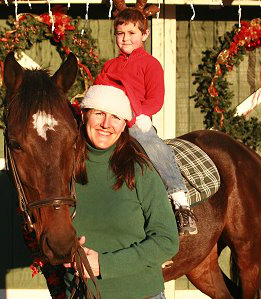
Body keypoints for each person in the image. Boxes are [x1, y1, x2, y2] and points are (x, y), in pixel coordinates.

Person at [61, 85, 179, 299]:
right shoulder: (63, 170)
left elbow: (166, 239)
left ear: (124, 125)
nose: (106, 124)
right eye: (99, 113)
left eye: (116, 117)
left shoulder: (139, 170)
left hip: (140, 294)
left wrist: (104, 265)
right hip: (80, 294)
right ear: (85, 115)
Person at [93, 8, 197, 235]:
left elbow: (156, 100)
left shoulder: (150, 64)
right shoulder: (109, 65)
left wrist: (140, 116)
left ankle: (180, 203)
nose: (125, 38)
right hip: (110, 119)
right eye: (120, 33)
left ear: (144, 34)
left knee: (153, 147)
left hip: (135, 122)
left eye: (131, 33)